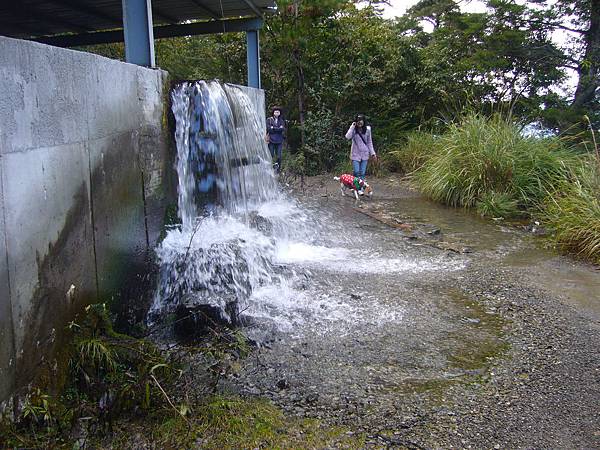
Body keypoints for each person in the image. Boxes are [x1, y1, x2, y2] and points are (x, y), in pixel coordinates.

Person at [345, 114, 377, 180]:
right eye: (358, 120)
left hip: (365, 153)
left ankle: (360, 189)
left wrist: (373, 153)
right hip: (355, 153)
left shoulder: (368, 130)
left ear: (364, 121)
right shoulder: (353, 130)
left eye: (361, 120)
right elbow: (347, 137)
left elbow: (369, 142)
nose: (359, 122)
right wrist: (352, 126)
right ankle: (355, 187)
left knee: (362, 173)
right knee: (357, 172)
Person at [266, 106, 286, 173]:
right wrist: (277, 128)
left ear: (280, 113)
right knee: (271, 155)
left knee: (279, 156)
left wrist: (273, 128)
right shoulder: (269, 119)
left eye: (278, 112)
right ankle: (270, 169)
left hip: (279, 141)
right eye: (275, 112)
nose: (277, 113)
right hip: (271, 140)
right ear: (273, 112)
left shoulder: (281, 120)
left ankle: (278, 170)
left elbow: (282, 129)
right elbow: (269, 129)